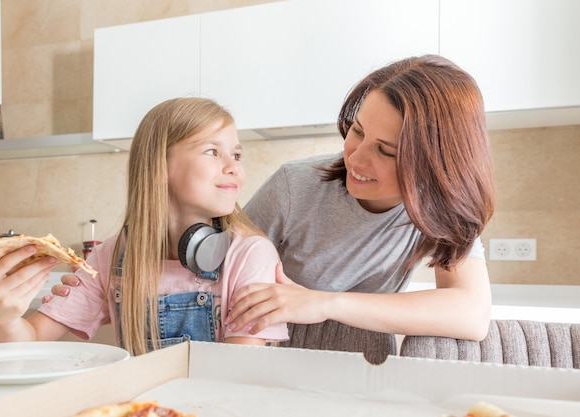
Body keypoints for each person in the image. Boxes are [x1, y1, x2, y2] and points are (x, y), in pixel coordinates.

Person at [50, 54, 495, 343]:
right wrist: (119, 273)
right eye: (357, 131)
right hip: (273, 347)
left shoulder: (444, 212)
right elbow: (212, 253)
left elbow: (471, 315)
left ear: (434, 165)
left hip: (358, 354)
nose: (356, 156)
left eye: (385, 150)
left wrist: (323, 302)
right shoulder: (295, 185)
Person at [0, 97, 289, 355]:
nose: (234, 166)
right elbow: (27, 343)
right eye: (212, 151)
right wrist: (6, 318)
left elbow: (237, 376)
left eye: (236, 154)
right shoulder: (110, 257)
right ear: (160, 165)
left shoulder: (250, 255)